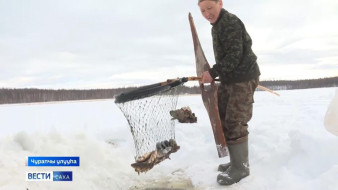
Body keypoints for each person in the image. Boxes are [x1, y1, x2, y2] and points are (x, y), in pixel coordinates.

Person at [198, 0, 261, 185]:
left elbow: (235, 54)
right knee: (224, 116)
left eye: (210, 7)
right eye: (203, 11)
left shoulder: (229, 22)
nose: (207, 13)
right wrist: (217, 74)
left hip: (242, 79)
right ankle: (235, 162)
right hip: (229, 79)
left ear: (220, 3)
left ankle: (240, 168)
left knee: (236, 120)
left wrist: (213, 73)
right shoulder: (216, 26)